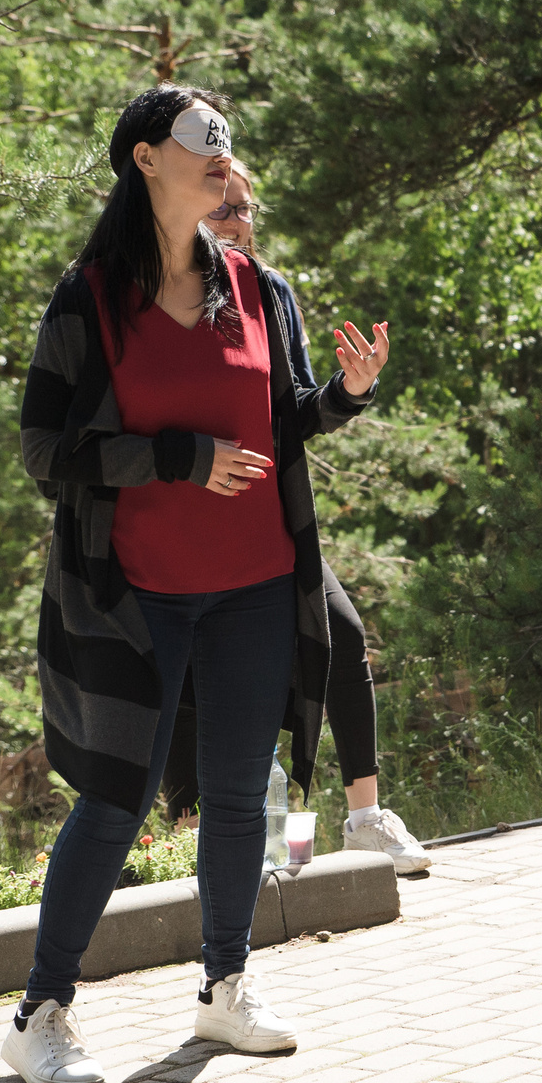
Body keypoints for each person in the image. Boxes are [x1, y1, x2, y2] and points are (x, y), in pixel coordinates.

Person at [4, 85, 391, 1083]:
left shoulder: (259, 288)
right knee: (115, 798)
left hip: (257, 582)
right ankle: (41, 1012)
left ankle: (226, 986)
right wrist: (177, 455)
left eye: (227, 148)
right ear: (144, 158)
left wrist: (344, 396)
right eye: (201, 146)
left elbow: (284, 417)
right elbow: (46, 448)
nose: (223, 161)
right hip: (136, 596)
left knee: (234, 793)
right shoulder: (90, 295)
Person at [165, 163, 431, 875]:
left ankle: (366, 819)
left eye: (246, 211)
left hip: (272, 522)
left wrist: (352, 388)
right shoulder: (161, 295)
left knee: (341, 636)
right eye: (221, 212)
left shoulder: (272, 292)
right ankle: (195, 841)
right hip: (182, 530)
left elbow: (299, 412)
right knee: (192, 680)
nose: (238, 224)